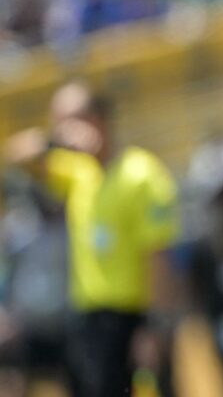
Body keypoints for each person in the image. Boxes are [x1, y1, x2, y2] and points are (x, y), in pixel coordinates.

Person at [3, 81, 182, 397]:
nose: (63, 129)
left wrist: (153, 328)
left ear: (99, 118)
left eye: (70, 119)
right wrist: (52, 142)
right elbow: (16, 154)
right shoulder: (80, 174)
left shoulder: (140, 174)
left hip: (132, 318)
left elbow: (158, 257)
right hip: (88, 321)